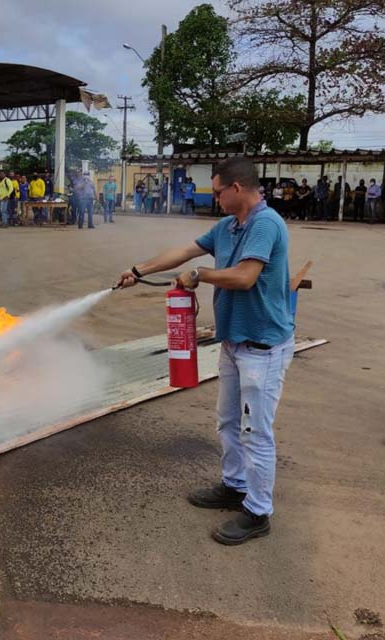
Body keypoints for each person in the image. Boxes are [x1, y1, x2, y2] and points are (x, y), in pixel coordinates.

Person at [115, 157, 294, 545]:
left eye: (216, 192)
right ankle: (235, 486)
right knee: (227, 421)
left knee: (255, 432)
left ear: (236, 188)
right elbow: (184, 252)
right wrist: (139, 269)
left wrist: (201, 276)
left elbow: (245, 277)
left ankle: (258, 512)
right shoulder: (228, 226)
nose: (213, 199)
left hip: (262, 347)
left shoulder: (266, 223)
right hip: (233, 342)